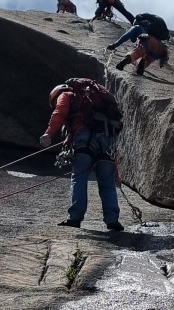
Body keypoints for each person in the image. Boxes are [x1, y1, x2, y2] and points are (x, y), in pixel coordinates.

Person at [40, 76, 124, 232]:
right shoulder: (94, 98)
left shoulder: (66, 95)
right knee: (107, 182)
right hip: (107, 139)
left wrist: (49, 134)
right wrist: (117, 174)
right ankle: (113, 221)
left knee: (79, 176)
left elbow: (59, 113)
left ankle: (75, 218)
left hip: (84, 137)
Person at [111, 11, 171, 75]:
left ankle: (127, 59)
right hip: (158, 46)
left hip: (147, 40)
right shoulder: (160, 28)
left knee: (136, 52)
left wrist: (115, 45)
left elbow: (127, 35)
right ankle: (143, 62)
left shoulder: (138, 27)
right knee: (148, 60)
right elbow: (167, 37)